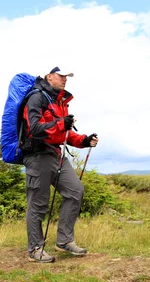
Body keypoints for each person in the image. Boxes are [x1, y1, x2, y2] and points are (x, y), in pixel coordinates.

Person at [20, 67, 98, 263]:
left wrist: (83, 140)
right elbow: (35, 128)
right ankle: (35, 249)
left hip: (56, 155)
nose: (65, 79)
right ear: (49, 76)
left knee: (75, 190)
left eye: (67, 77)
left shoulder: (58, 101)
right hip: (38, 155)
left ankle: (64, 241)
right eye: (61, 76)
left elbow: (63, 132)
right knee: (38, 204)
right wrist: (61, 124)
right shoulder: (36, 98)